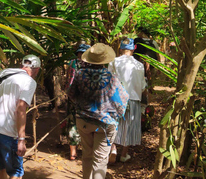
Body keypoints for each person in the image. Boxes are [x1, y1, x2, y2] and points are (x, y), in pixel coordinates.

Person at [68, 43, 129, 179]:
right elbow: (123, 100)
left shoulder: (80, 74)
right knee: (100, 160)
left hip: (83, 120)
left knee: (87, 156)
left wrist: (82, 105)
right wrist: (118, 114)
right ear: (105, 60)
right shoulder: (111, 77)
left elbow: (71, 94)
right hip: (105, 123)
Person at [0, 55, 41, 179]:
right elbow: (21, 108)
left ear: (22, 66)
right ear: (36, 70)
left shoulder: (7, 80)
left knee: (2, 168)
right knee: (16, 171)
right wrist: (21, 140)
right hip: (7, 132)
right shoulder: (29, 82)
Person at [108, 38, 146, 163]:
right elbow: (142, 86)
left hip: (116, 98)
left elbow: (108, 80)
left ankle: (113, 148)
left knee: (113, 124)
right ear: (133, 50)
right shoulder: (139, 65)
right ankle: (124, 154)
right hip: (133, 99)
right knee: (129, 127)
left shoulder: (113, 61)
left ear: (120, 49)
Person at [63, 43, 90, 160]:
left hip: (73, 97)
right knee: (86, 123)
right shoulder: (91, 64)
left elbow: (68, 80)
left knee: (72, 123)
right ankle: (86, 151)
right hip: (87, 99)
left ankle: (73, 153)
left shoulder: (72, 63)